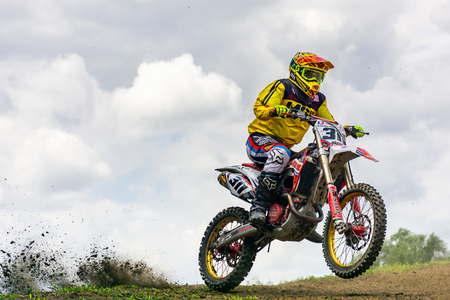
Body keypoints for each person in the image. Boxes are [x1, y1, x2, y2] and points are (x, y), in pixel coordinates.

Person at [246, 52, 363, 235]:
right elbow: (259, 108)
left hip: (287, 147)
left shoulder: (318, 100)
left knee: (311, 160)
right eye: (310, 75)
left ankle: (303, 212)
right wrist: (276, 110)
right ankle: (259, 206)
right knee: (281, 154)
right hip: (261, 139)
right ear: (297, 71)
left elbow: (328, 122)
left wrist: (345, 129)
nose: (315, 80)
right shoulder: (283, 86)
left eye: (319, 76)